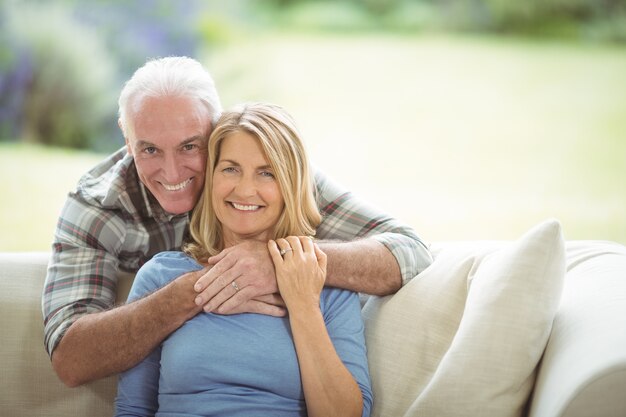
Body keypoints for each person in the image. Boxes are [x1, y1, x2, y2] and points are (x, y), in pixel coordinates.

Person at [42, 56, 433, 387]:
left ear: (217, 131)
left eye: (190, 146)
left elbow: (410, 252)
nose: (172, 170)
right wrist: (194, 290)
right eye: (149, 149)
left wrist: (277, 259)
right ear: (128, 142)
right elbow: (69, 358)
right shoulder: (97, 205)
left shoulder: (267, 177)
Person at [115, 102, 372, 417]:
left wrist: (303, 304)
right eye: (231, 169)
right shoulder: (161, 276)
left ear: (290, 185)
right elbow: (133, 408)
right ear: (211, 177)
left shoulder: (327, 284)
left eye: (267, 173)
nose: (246, 189)